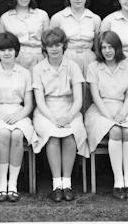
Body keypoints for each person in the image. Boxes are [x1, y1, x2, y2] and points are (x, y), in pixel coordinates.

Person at [31, 28, 89, 202]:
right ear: (45, 48)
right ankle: (57, 185)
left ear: (63, 46)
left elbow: (78, 99)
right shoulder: (38, 69)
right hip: (46, 111)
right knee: (53, 136)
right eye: (50, 46)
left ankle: (67, 184)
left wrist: (69, 117)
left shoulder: (73, 66)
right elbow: (40, 101)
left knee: (70, 135)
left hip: (69, 109)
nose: (54, 49)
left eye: (57, 45)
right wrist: (53, 119)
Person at [84, 31, 128, 200]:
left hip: (123, 108)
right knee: (116, 131)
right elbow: (95, 96)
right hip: (100, 111)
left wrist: (122, 113)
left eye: (111, 47)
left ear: (117, 48)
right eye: (104, 47)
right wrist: (110, 117)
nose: (107, 51)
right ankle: (118, 181)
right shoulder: (93, 67)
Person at [0, 32, 35, 202]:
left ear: (16, 51)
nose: (7, 53)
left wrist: (18, 116)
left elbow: (28, 104)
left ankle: (13, 183)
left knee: (18, 135)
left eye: (10, 49)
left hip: (19, 112)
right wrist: (2, 116)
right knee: (5, 134)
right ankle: (2, 183)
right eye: (3, 50)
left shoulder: (25, 73)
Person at [49, 0, 101, 73]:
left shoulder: (95, 19)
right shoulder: (58, 18)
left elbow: (97, 47)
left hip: (90, 61)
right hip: (66, 60)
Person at [0, 0, 49, 70]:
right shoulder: (5, 18)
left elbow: (48, 43)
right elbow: (0, 44)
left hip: (38, 62)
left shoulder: (42, 15)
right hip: (14, 62)